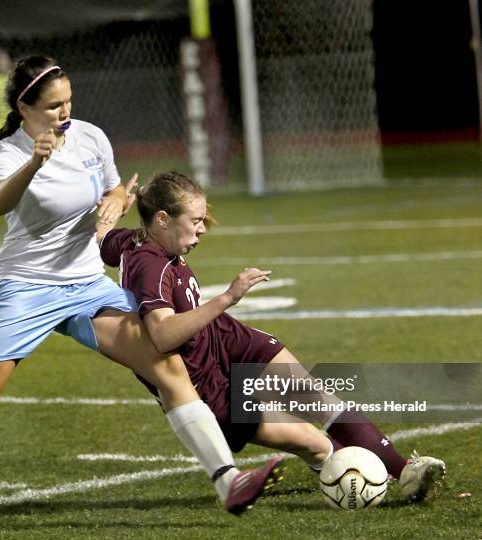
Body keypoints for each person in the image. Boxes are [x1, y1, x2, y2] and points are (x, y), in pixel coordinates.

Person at [0, 57, 284, 540]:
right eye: (52, 105)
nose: (64, 112)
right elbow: (0, 203)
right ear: (25, 107)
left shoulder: (90, 136)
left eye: (68, 100)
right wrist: (35, 162)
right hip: (26, 288)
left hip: (87, 284)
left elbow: (112, 186)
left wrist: (117, 201)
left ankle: (227, 481)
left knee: (166, 362)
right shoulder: (10, 152)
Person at [97, 171, 446, 501]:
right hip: (202, 382)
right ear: (162, 219)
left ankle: (406, 473)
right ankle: (352, 474)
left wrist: (112, 208)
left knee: (315, 396)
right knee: (312, 441)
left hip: (221, 338)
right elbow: (161, 335)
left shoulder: (134, 239)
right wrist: (228, 297)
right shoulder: (150, 264)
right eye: (196, 220)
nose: (203, 229)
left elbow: (101, 240)